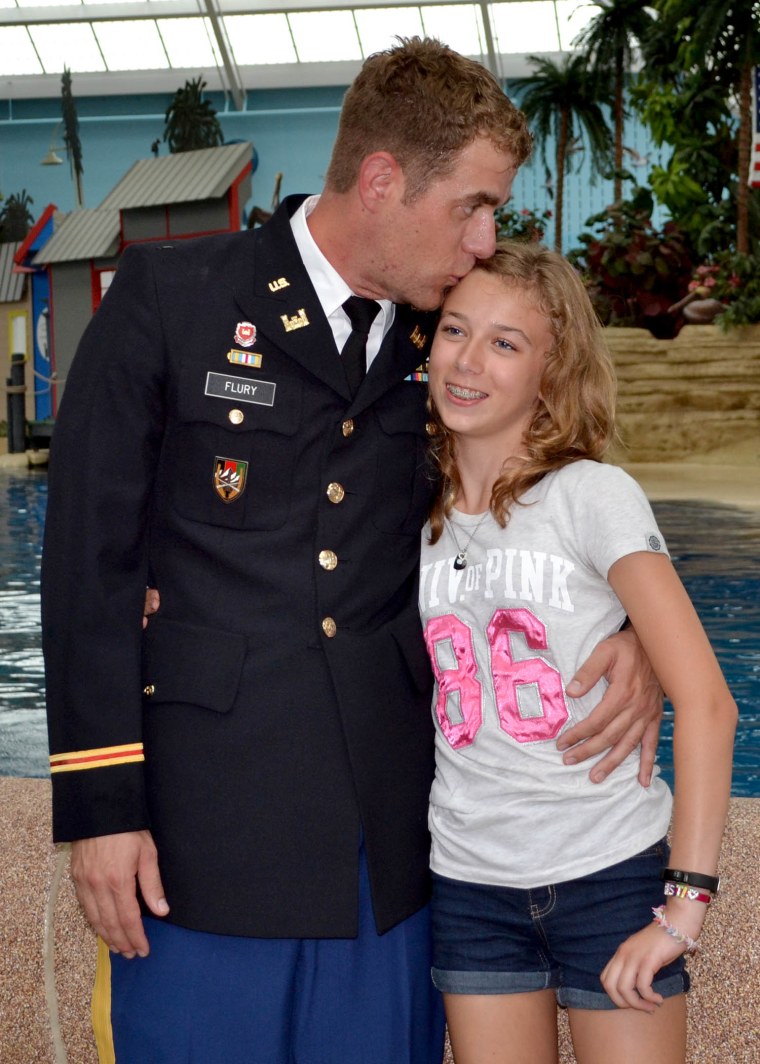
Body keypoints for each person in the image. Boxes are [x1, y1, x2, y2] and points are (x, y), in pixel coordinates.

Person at [42, 39, 661, 1064]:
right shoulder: (172, 300)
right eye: (471, 205)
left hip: (389, 841)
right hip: (205, 831)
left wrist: (628, 625)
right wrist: (103, 808)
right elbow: (86, 570)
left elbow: (549, 487)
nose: (482, 239)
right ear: (381, 181)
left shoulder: (444, 344)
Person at [420, 241, 738, 1064]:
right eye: (455, 330)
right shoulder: (405, 511)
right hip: (469, 884)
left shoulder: (591, 496)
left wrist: (685, 905)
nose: (467, 360)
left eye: (505, 343)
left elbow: (707, 700)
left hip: (608, 873)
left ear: (551, 371)